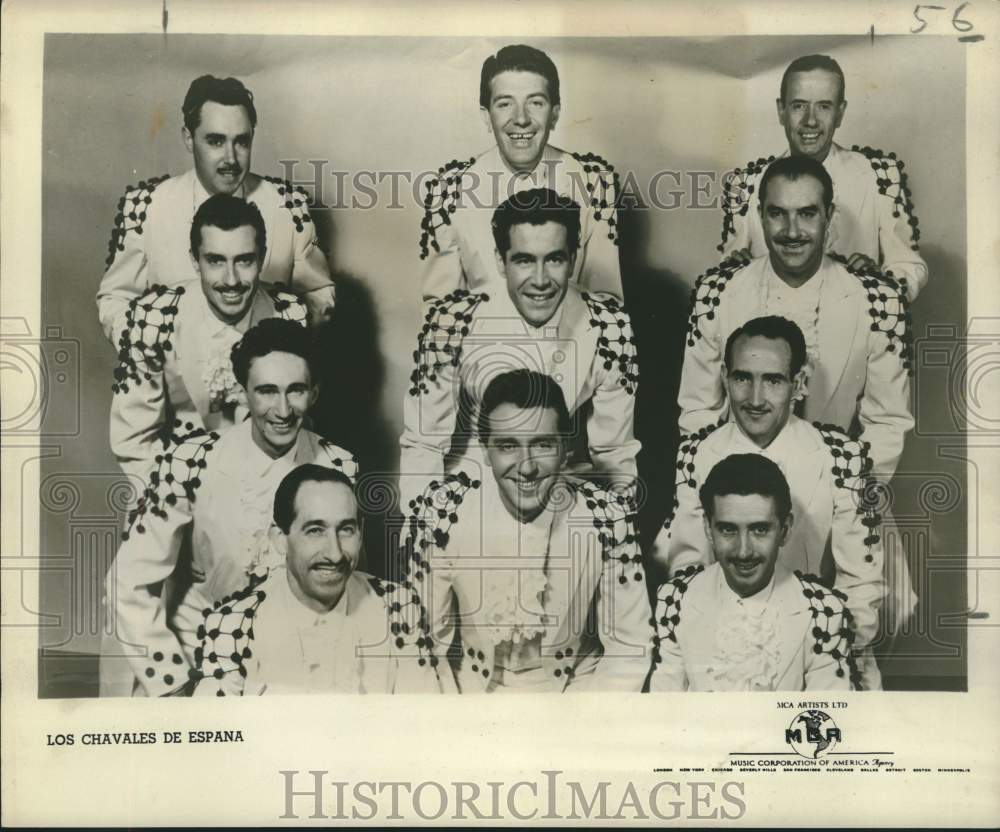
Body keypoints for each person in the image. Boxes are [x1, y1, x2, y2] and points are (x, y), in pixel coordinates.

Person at [101, 318, 357, 696]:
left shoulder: (338, 464)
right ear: (245, 391)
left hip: (296, 660)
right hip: (196, 655)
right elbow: (128, 579)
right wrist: (173, 684)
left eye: (296, 390)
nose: (282, 409)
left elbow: (342, 582)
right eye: (267, 391)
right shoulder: (191, 460)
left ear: (314, 393)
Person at [654, 316, 896, 684]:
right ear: (724, 376)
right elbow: (689, 568)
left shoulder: (842, 456)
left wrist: (824, 647)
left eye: (773, 380)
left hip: (821, 642)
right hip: (721, 642)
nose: (755, 398)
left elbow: (860, 582)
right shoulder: (698, 452)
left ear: (798, 383)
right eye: (742, 378)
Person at [403, 369, 652, 693]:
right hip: (472, 695)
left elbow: (630, 646)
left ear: (565, 448)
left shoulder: (609, 518)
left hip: (575, 692)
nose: (526, 466)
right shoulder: (441, 517)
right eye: (508, 445)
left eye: (543, 444)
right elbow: (424, 648)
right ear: (486, 450)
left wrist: (587, 724)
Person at [400, 188, 639, 513]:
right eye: (524, 260)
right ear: (500, 261)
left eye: (554, 259)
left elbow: (614, 453)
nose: (540, 280)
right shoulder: (451, 323)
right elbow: (424, 444)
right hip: (470, 495)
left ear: (572, 261)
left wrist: (618, 534)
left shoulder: (611, 327)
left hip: (560, 491)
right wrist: (422, 533)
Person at [679, 156, 913, 478]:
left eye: (807, 214)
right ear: (760, 215)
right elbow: (697, 413)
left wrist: (840, 495)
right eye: (777, 213)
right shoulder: (716, 294)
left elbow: (887, 424)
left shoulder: (878, 301)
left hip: (841, 489)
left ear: (829, 216)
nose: (792, 231)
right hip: (736, 491)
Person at [96, 74, 335, 341]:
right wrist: (155, 350)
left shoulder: (289, 207)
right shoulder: (148, 207)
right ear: (189, 138)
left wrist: (280, 347)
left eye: (241, 141)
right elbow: (115, 299)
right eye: (216, 141)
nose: (230, 158)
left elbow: (319, 295)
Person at [191, 466, 443, 695]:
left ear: (361, 533)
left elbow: (423, 726)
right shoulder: (232, 626)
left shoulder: (398, 607)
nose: (334, 553)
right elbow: (221, 737)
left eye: (346, 529)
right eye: (315, 531)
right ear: (280, 538)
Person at [109, 194, 307, 481]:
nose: (231, 280)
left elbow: (298, 425)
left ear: (261, 258)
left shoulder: (292, 314)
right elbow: (134, 443)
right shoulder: (151, 319)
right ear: (194, 260)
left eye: (244, 261)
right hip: (173, 487)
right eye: (215, 261)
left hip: (269, 485)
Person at [419, 44, 622, 300]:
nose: (521, 118)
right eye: (505, 104)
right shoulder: (448, 192)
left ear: (555, 114)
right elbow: (441, 309)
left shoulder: (594, 183)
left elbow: (607, 304)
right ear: (486, 116)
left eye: (536, 102)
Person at [718, 54, 928, 299]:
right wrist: (736, 270)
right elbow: (728, 272)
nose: (810, 120)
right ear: (781, 111)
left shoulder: (879, 177)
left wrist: (880, 284)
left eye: (824, 106)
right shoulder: (746, 184)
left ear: (840, 113)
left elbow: (909, 266)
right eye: (799, 106)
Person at [649, 454, 859, 692]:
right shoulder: (674, 601)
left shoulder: (823, 613)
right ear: (708, 529)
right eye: (728, 530)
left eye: (759, 529)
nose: (743, 551)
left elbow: (823, 719)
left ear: (785, 529)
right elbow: (664, 714)